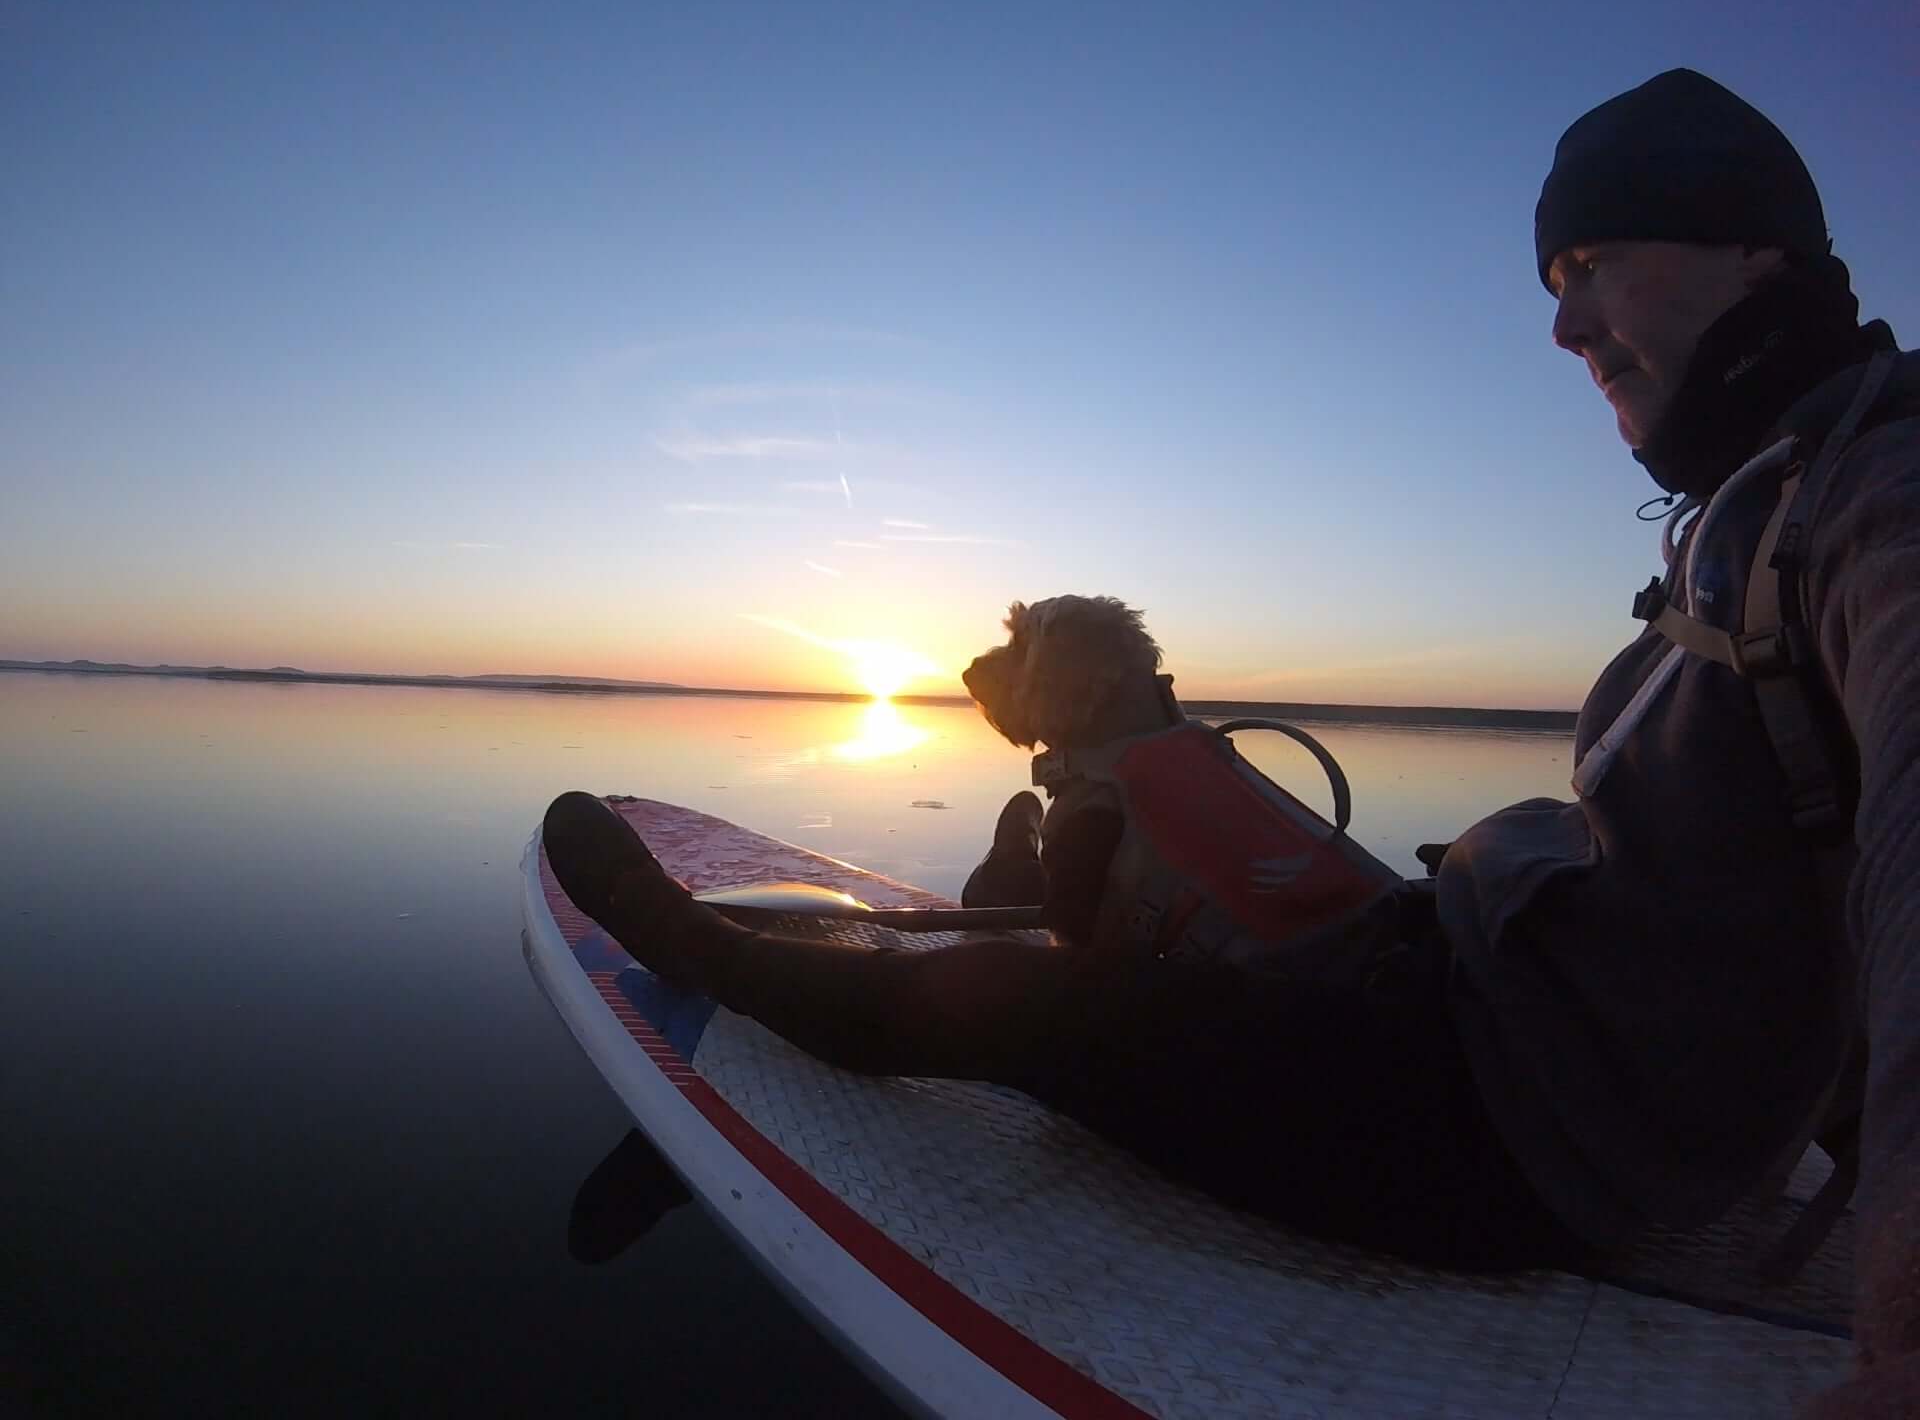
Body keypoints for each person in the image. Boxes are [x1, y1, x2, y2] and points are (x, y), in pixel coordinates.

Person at [545, 70, 1916, 1415]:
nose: (1564, 327)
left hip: (1508, 1134)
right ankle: (1036, 889)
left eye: (1596, 263)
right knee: (1287, 930)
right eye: (1554, 281)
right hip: (1477, 998)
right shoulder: (1775, 484)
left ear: (1752, 245)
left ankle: (707, 952)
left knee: (1052, 1003)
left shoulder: (1880, 489)